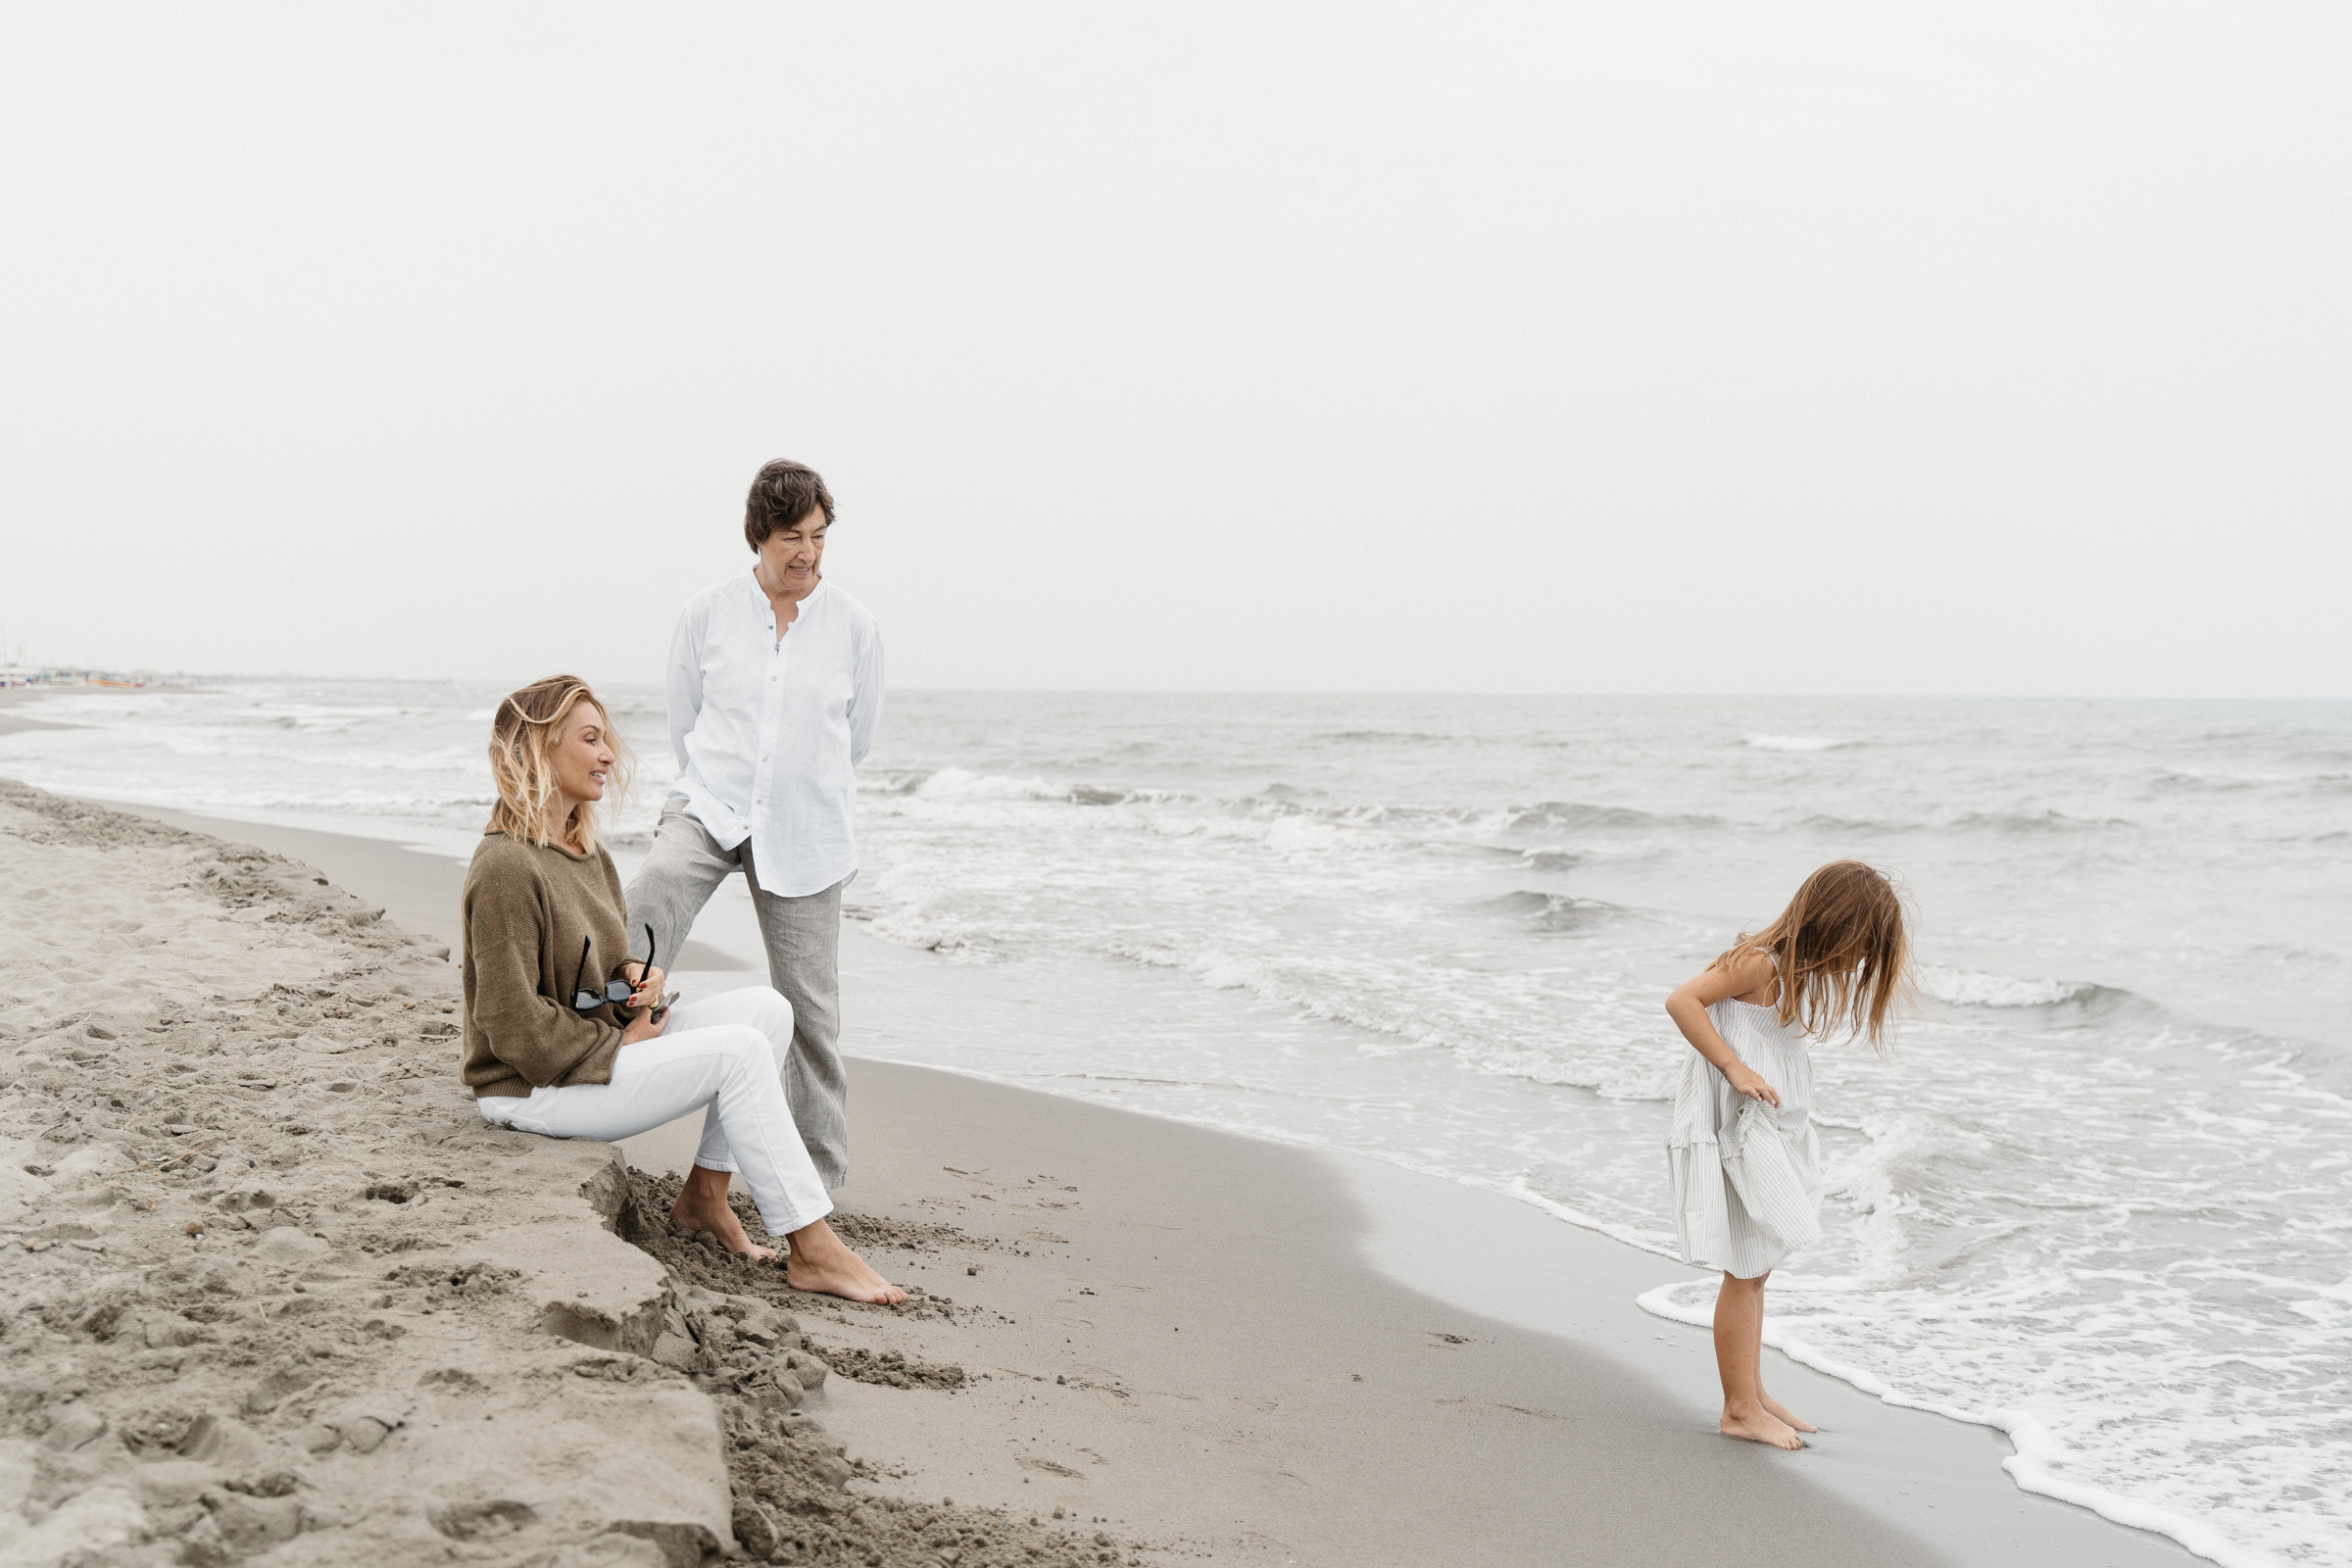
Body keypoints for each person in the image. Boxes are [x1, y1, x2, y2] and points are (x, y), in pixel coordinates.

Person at [459, 673, 904, 1302]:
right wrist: (620, 1047)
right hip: (529, 1090)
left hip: (583, 1059)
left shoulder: (585, 853)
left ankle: (705, 1197)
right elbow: (511, 1025)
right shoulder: (506, 867)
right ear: (539, 749)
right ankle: (813, 1247)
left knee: (767, 1012)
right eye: (590, 739)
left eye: (606, 738)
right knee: (737, 1054)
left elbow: (599, 975)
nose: (609, 753)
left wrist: (636, 986)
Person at [626, 459, 880, 1192]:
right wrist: (724, 788)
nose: (807, 552)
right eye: (792, 537)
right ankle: (593, 1056)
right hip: (711, 805)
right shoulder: (707, 612)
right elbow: (687, 724)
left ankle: (816, 1190)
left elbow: (856, 738)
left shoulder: (855, 626)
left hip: (805, 829)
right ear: (758, 537)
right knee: (651, 894)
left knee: (810, 1016)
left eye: (819, 536)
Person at [1662, 859, 1910, 1448]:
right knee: (1744, 1266)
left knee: (1759, 1261)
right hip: (1737, 1128)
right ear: (1834, 926)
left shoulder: (1795, 973)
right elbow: (1682, 1000)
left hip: (1769, 1127)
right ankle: (1739, 1409)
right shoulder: (1758, 962)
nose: (1861, 965)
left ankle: (1751, 1391)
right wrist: (1734, 1066)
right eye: (1861, 949)